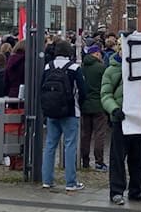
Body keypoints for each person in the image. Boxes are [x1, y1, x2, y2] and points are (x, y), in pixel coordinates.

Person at [101, 39, 141, 205]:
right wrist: (114, 109)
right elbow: (106, 94)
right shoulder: (111, 70)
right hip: (120, 120)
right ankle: (116, 191)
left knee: (139, 158)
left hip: (137, 120)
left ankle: (136, 190)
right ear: (120, 50)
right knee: (117, 158)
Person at [40, 40, 86, 192]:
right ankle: (70, 182)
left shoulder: (48, 67)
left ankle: (47, 179)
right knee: (70, 145)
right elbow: (82, 91)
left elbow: (42, 87)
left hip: (52, 111)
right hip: (71, 111)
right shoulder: (74, 68)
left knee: (50, 145)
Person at [79, 44, 109, 171]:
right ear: (96, 54)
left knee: (85, 134)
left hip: (85, 105)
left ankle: (85, 160)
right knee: (99, 134)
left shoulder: (81, 68)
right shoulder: (101, 68)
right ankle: (99, 161)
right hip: (99, 104)